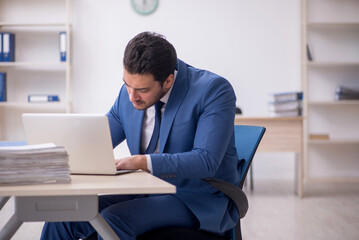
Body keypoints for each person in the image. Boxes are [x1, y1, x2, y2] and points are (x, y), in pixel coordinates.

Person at [40, 31, 241, 240]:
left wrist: (142, 162)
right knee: (64, 213)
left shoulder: (213, 90)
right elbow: (97, 140)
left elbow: (205, 160)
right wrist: (53, 156)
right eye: (127, 85)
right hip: (146, 191)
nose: (132, 96)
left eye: (142, 89)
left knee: (112, 220)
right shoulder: (129, 93)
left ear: (168, 81)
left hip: (196, 198)